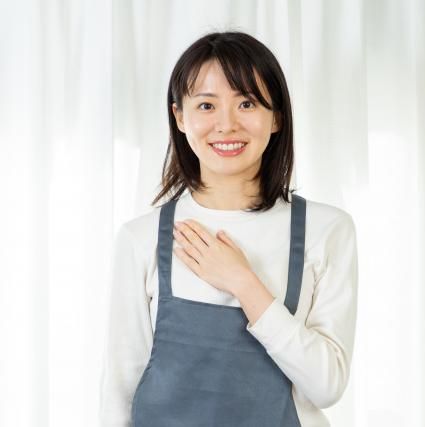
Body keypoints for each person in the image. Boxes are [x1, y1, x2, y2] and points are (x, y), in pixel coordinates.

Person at [98, 31, 358, 427]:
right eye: (206, 105)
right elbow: (118, 394)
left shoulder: (326, 230)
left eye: (247, 103)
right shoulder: (140, 239)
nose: (226, 124)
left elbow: (327, 385)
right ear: (179, 117)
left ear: (276, 117)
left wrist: (243, 282)